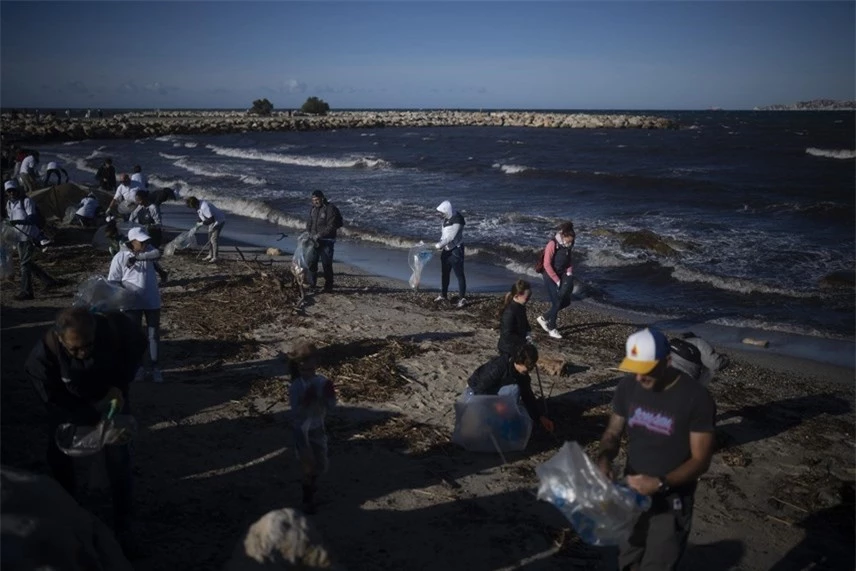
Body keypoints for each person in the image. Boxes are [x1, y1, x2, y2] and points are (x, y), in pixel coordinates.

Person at [24, 306, 146, 557]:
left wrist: (120, 385)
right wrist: (86, 416)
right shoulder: (43, 356)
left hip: (111, 397)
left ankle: (124, 524)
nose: (82, 353)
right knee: (58, 455)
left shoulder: (112, 328)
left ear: (95, 331)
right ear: (60, 339)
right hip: (71, 403)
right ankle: (69, 514)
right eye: (74, 349)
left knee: (118, 457)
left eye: (87, 345)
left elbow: (137, 345)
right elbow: (52, 400)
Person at [595, 327, 716, 571]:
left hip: (672, 499)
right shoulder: (628, 387)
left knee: (658, 563)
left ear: (667, 361)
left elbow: (701, 460)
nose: (640, 377)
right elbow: (612, 432)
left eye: (646, 370)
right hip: (631, 491)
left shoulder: (696, 398)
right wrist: (605, 458)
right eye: (635, 369)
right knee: (628, 556)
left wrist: (661, 482)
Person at [108, 227, 164, 382]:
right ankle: (138, 367)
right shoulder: (120, 257)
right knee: (134, 336)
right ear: (132, 242)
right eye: (141, 242)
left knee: (153, 335)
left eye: (146, 240)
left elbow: (157, 253)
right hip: (131, 303)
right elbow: (113, 280)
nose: (145, 243)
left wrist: (138, 257)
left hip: (152, 300)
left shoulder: (149, 252)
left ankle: (155, 368)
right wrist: (121, 294)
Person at [288, 342, 336, 514]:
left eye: (310, 366)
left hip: (318, 427)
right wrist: (306, 402)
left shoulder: (321, 382)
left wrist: (327, 397)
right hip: (302, 430)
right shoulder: (296, 386)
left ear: (316, 363)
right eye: (303, 367)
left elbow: (331, 406)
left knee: (322, 465)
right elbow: (295, 412)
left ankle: (312, 489)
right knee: (308, 466)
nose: (307, 371)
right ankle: (307, 500)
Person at [466, 344, 554, 434]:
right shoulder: (498, 366)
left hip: (495, 391)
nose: (529, 370)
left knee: (515, 390)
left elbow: (527, 395)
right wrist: (494, 405)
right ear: (519, 361)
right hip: (476, 392)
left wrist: (539, 417)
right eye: (527, 366)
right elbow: (479, 388)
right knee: (513, 390)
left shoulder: (522, 374)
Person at [4, 180, 58, 300]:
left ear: (18, 190)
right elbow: (10, 218)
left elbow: (32, 218)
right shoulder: (9, 204)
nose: (11, 193)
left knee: (24, 264)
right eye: (9, 191)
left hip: (30, 236)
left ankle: (27, 292)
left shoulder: (26, 201)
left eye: (13, 190)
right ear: (6, 193)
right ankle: (49, 281)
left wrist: (18, 222)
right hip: (19, 238)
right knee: (27, 262)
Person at [535, 221, 575, 340]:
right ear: (564, 236)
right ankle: (552, 328)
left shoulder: (569, 244)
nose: (570, 243)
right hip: (549, 274)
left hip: (562, 273)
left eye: (572, 241)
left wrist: (569, 273)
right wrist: (557, 280)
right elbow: (547, 264)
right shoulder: (552, 244)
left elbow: (569, 260)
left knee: (566, 301)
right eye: (569, 240)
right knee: (557, 301)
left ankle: (543, 318)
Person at [305, 190, 342, 292]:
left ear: (322, 198)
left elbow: (332, 226)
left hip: (327, 241)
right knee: (311, 262)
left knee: (326, 264)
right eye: (313, 200)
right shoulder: (313, 209)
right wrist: (308, 233)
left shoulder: (330, 209)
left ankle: (328, 286)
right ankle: (312, 284)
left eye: (317, 200)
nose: (315, 202)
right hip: (313, 241)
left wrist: (320, 235)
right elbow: (309, 223)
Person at [129, 191, 168, 283]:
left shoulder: (153, 208)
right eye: (137, 200)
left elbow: (159, 224)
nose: (138, 202)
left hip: (153, 235)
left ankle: (160, 274)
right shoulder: (139, 208)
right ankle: (161, 273)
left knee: (149, 256)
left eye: (139, 200)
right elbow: (131, 218)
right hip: (142, 236)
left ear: (145, 199)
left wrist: (149, 226)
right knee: (143, 256)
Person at [433, 199, 467, 307]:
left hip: (456, 250)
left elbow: (451, 236)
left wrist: (440, 244)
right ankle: (443, 295)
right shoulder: (445, 220)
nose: (441, 215)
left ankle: (462, 298)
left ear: (447, 211)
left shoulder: (458, 219)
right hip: (446, 250)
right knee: (445, 273)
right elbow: (444, 235)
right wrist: (440, 244)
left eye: (442, 213)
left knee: (459, 274)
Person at [497, 279, 534, 357]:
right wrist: (524, 340)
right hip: (508, 349)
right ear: (516, 296)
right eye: (527, 298)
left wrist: (528, 331)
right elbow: (507, 334)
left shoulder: (521, 307)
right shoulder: (509, 312)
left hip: (518, 345)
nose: (528, 300)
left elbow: (524, 321)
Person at [186, 196, 226, 263]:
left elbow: (211, 219)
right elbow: (200, 216)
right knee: (209, 238)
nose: (192, 208)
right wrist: (197, 225)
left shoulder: (204, 207)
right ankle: (210, 254)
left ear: (195, 204)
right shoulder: (198, 206)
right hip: (212, 221)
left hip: (219, 220)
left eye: (192, 206)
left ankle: (215, 257)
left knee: (213, 239)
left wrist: (202, 224)